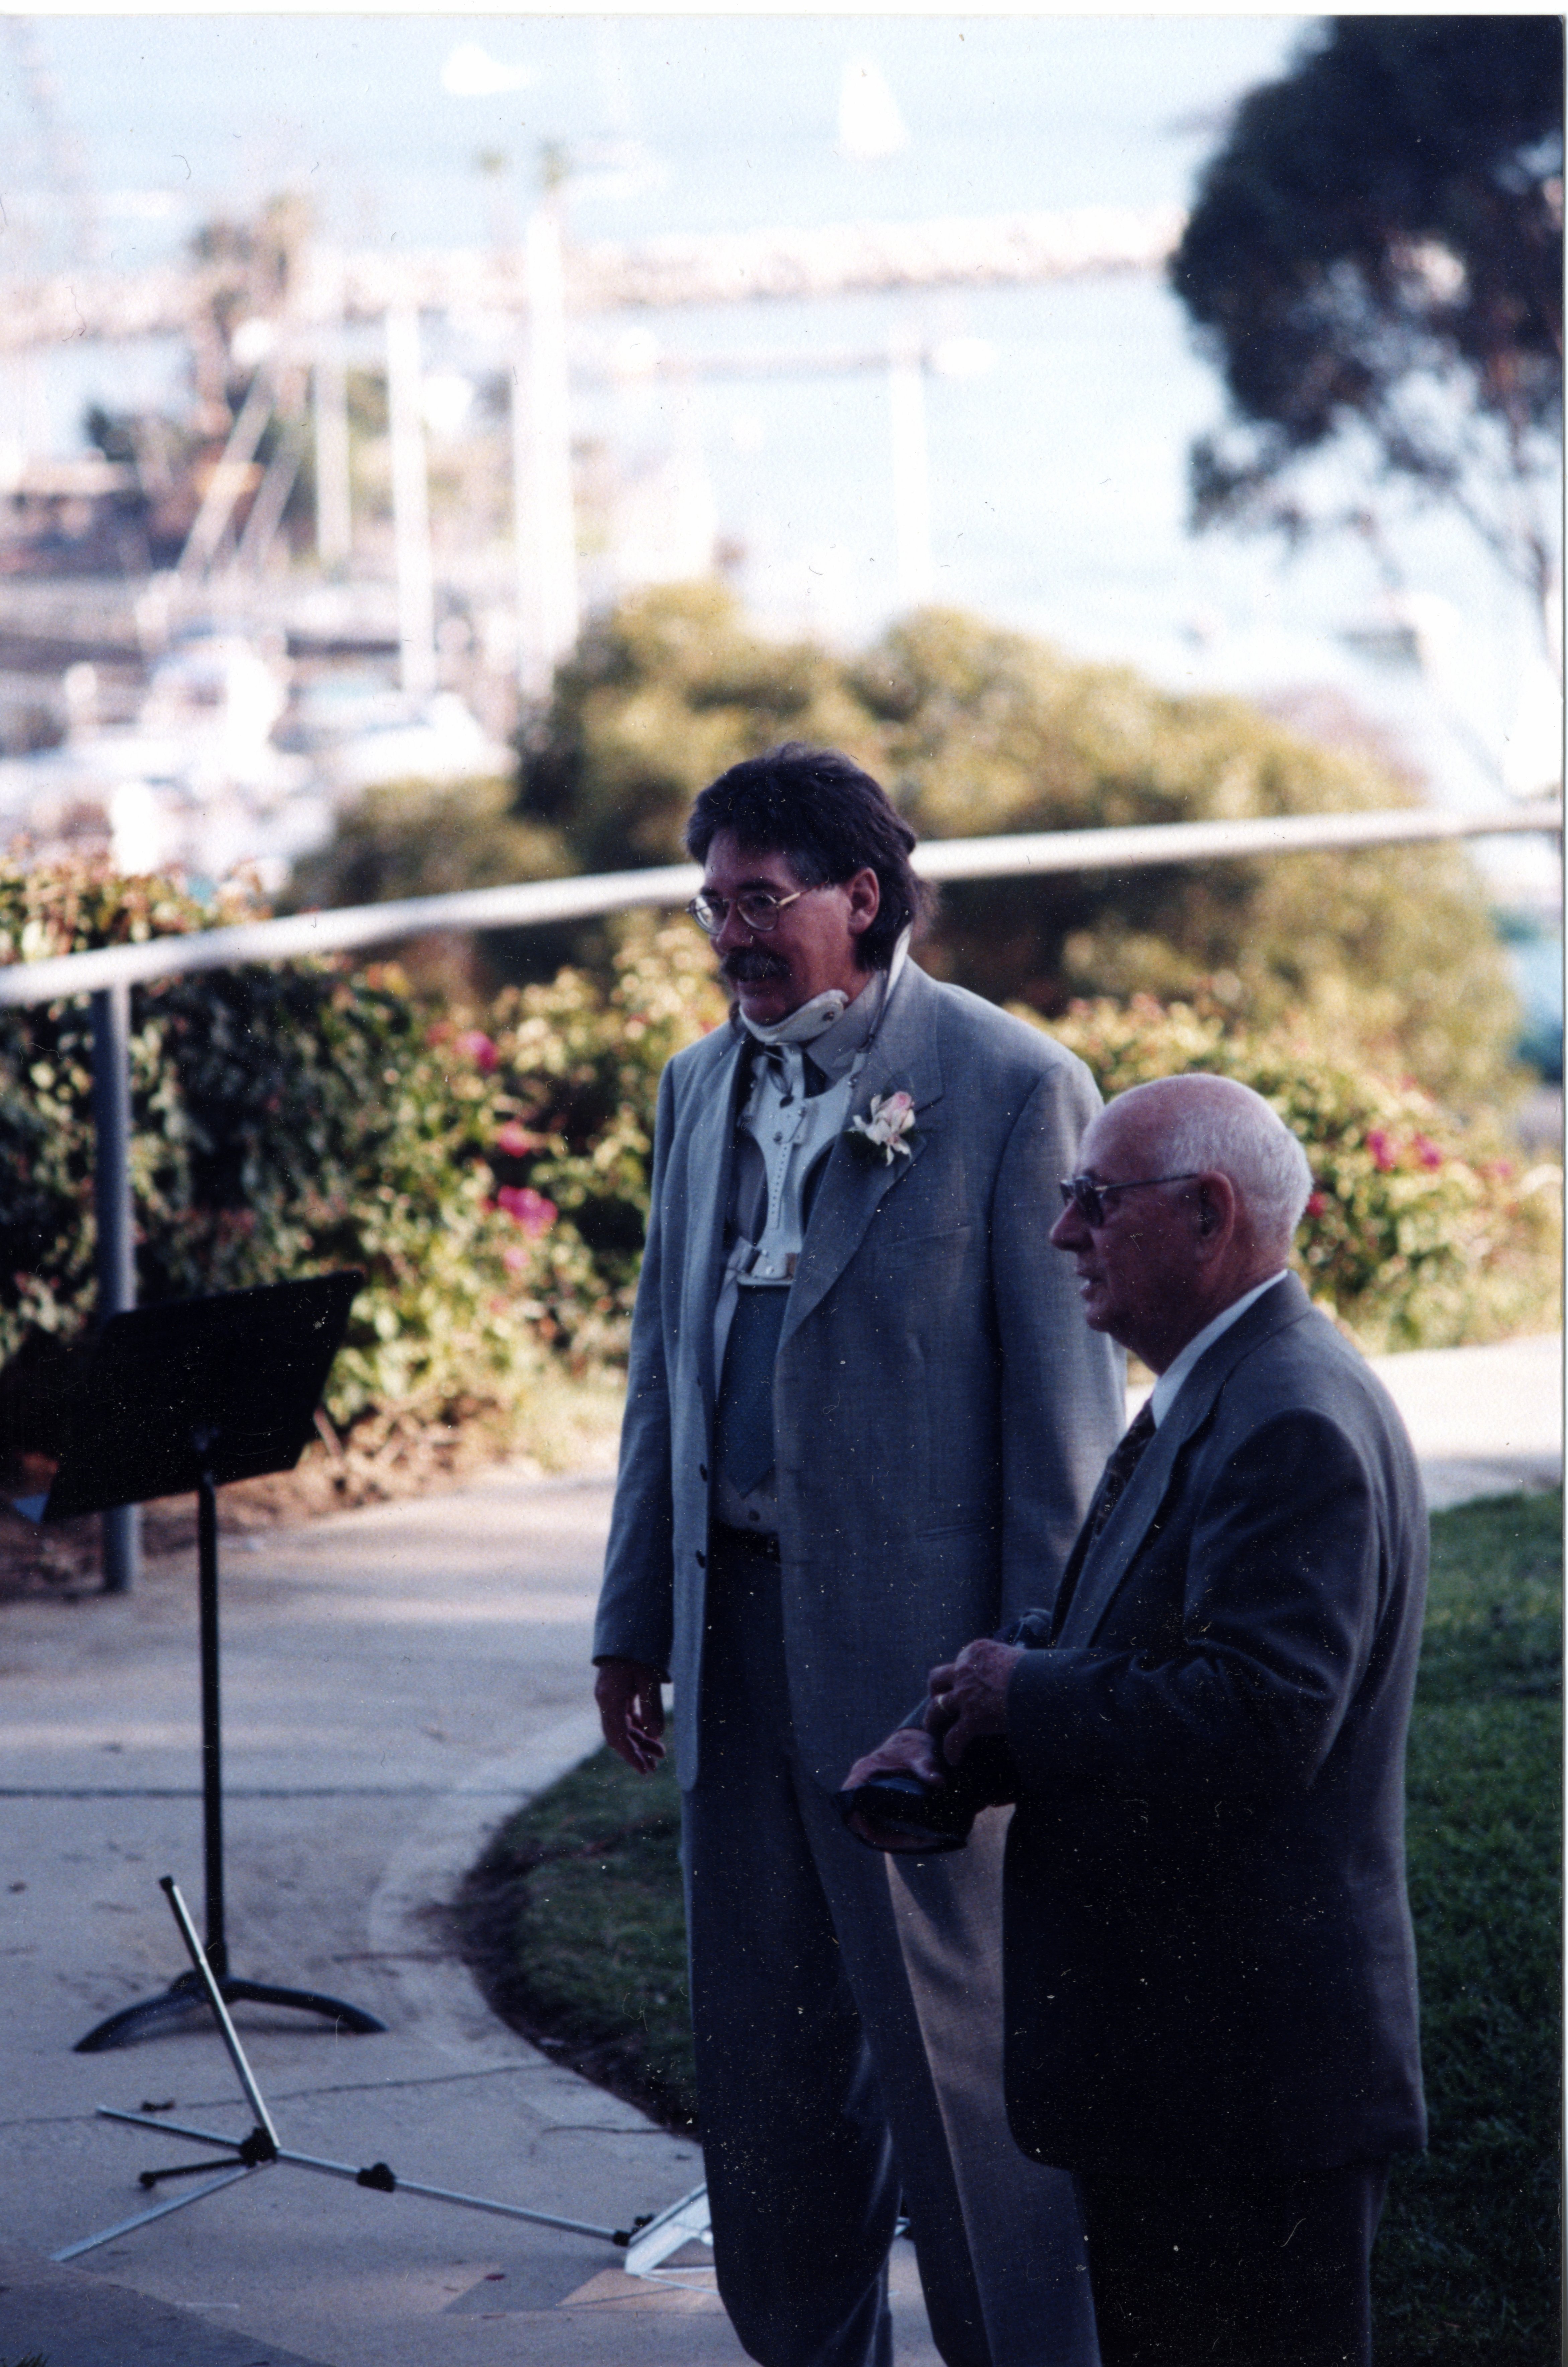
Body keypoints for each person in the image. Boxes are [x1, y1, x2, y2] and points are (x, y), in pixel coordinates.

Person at [593, 744, 1124, 2367]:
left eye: (761, 902)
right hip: (731, 1644)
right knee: (761, 2069)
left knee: (956, 2074)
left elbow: (1062, 1437)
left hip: (922, 1670)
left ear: (862, 896)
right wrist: (632, 1615)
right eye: (712, 906)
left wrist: (1022, 1684)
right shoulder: (695, 1086)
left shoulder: (1010, 1084)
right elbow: (660, 1375)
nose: (730, 938)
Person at [845, 1074, 1428, 2367]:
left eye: (1097, 1202)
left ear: (1210, 1214)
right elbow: (1138, 1643)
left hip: (1243, 2097)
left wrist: (1022, 1695)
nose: (1065, 1235)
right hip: (1193, 2080)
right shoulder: (1222, 1386)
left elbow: (1263, 1717)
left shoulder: (1288, 1417)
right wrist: (963, 1726)